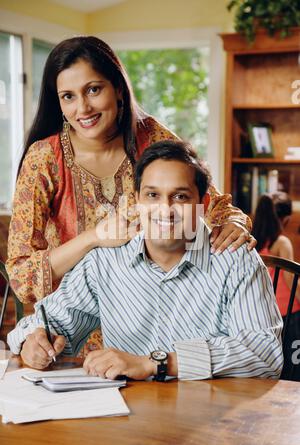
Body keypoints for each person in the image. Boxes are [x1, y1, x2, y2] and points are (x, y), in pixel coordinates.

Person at [6, 36, 256, 307]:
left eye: (93, 90)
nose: (83, 108)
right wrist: (94, 238)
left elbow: (214, 206)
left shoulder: (152, 137)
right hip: (70, 326)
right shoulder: (44, 158)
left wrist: (235, 224)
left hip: (152, 320)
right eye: (68, 96)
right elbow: (23, 277)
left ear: (119, 89)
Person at [7, 140, 283, 380]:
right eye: (153, 195)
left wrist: (157, 364)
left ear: (204, 202)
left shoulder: (236, 261)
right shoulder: (105, 262)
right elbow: (43, 325)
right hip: (126, 419)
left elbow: (265, 354)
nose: (165, 210)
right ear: (137, 200)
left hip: (212, 420)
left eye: (180, 196)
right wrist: (34, 343)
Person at [252, 192, 300, 316]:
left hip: (262, 311)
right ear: (286, 219)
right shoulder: (282, 243)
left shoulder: (251, 242)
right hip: (287, 310)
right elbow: (290, 280)